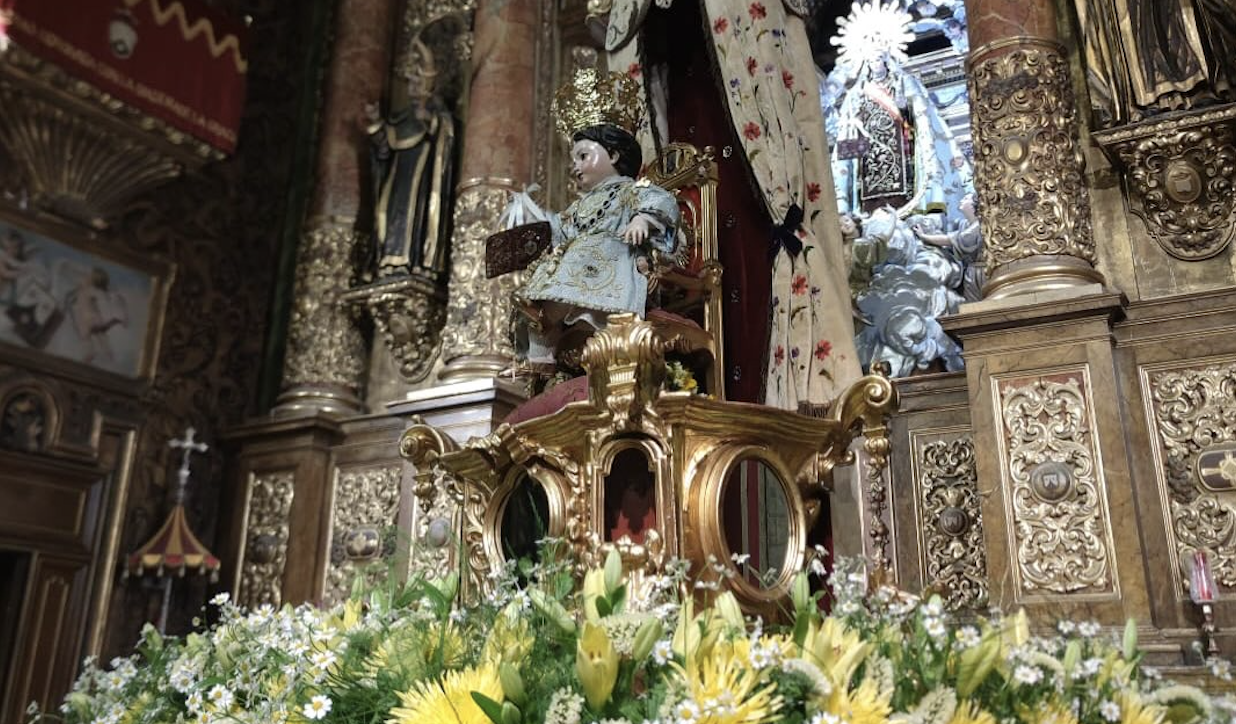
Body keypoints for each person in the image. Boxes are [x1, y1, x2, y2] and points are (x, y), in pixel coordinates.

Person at [512, 122, 679, 369]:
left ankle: (547, 322)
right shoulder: (578, 207)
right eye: (574, 160)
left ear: (613, 155)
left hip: (617, 256)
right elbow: (562, 229)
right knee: (554, 265)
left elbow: (662, 201)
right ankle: (540, 348)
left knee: (579, 257)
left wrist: (641, 219)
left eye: (583, 156)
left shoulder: (631, 191)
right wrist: (536, 224)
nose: (575, 166)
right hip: (578, 263)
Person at [365, 46, 455, 279]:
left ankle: (415, 260)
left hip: (422, 178)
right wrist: (375, 124)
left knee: (416, 215)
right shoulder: (401, 118)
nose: (414, 89)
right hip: (398, 177)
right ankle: (387, 262)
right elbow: (385, 150)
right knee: (386, 213)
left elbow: (446, 138)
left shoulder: (436, 112)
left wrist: (432, 121)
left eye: (418, 82)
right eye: (411, 83)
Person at [912, 192, 985, 302]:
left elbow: (949, 240)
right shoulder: (965, 224)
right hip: (971, 271)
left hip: (981, 272)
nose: (961, 200)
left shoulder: (978, 227)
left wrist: (924, 236)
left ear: (975, 204)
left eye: (966, 199)